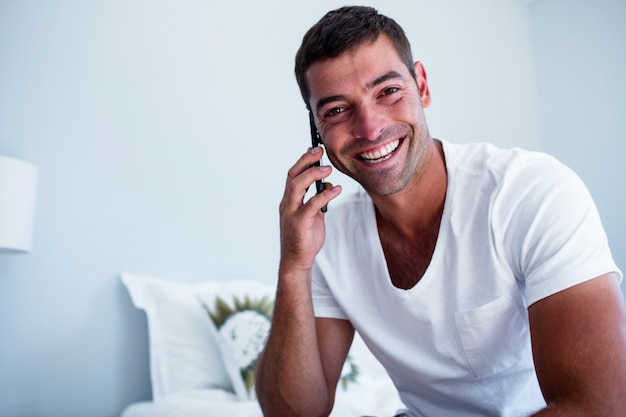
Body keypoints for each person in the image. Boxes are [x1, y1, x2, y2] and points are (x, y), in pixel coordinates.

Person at [255, 6, 626, 417]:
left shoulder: (531, 194)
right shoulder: (329, 239)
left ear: (422, 86)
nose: (370, 127)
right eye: (336, 111)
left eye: (388, 91)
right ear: (317, 131)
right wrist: (294, 266)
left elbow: (599, 406)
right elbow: (293, 413)